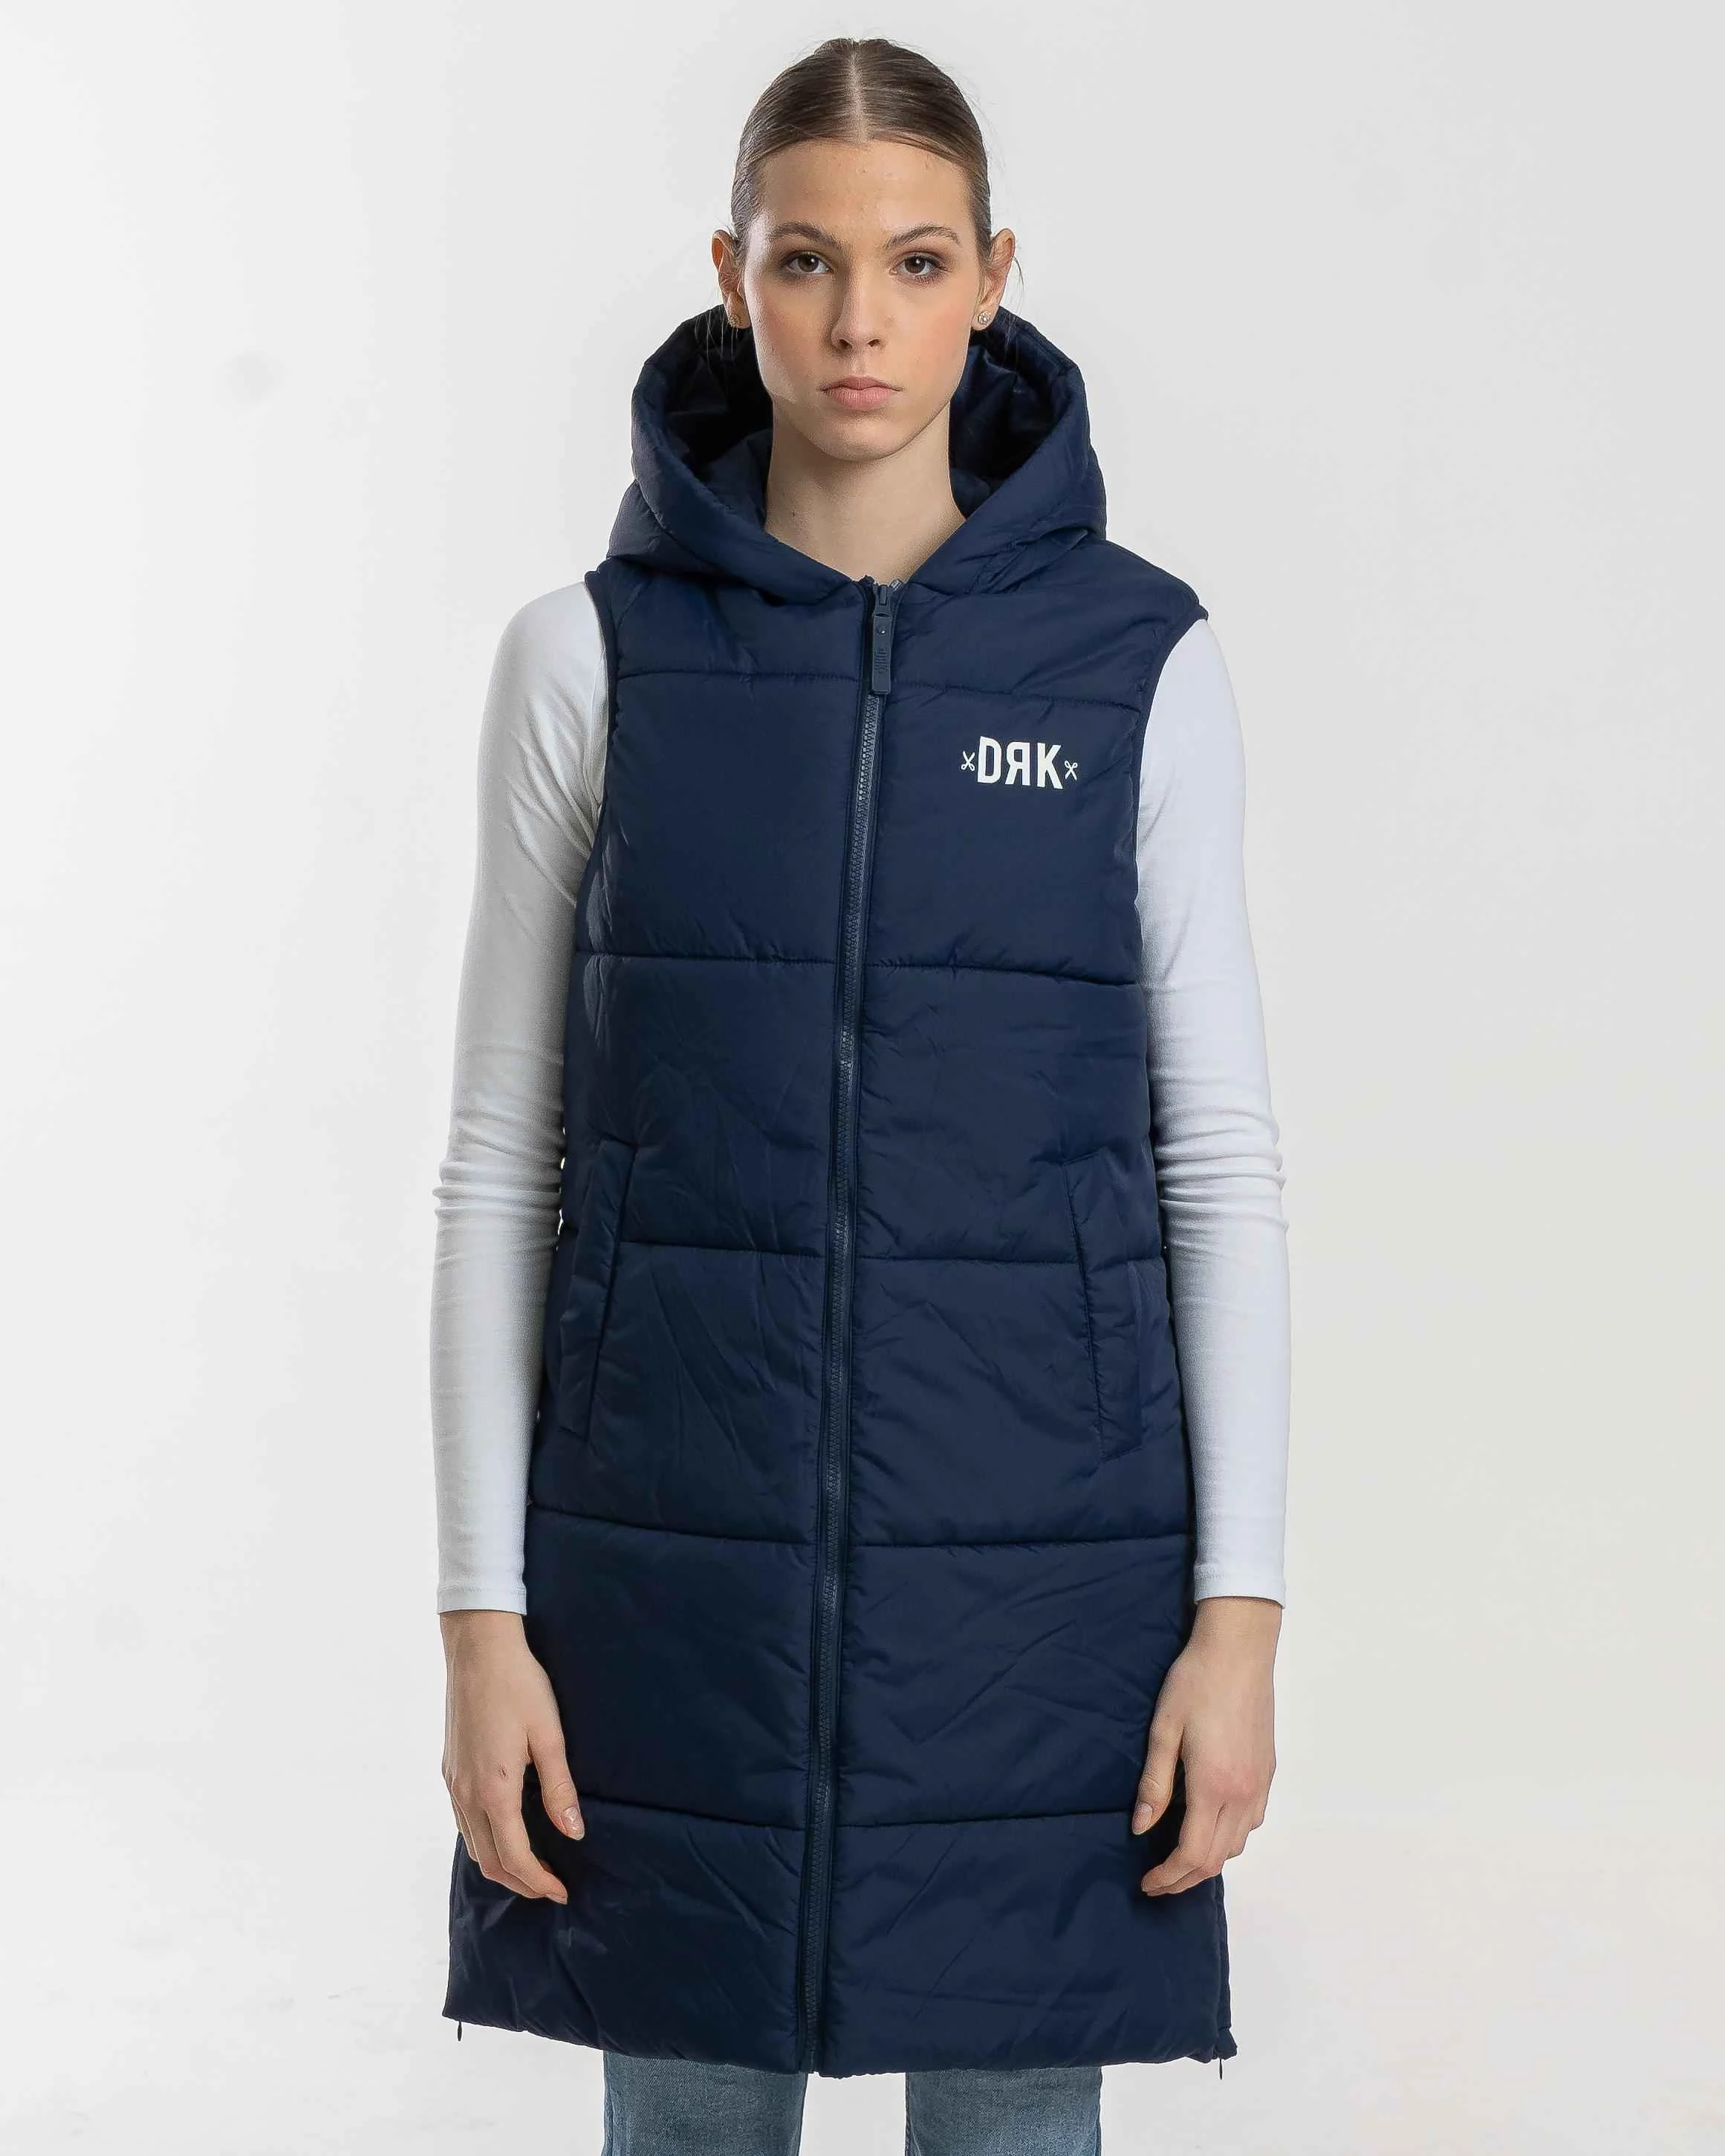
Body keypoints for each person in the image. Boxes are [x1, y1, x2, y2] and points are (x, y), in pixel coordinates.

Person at [430, 34, 1290, 2156]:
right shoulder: (588, 660)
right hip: (671, 1578)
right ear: (733, 275)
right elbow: (499, 1168)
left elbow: (1218, 1164)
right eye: (807, 261)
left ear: (993, 277)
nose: (858, 323)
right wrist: (481, 1617)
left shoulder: (1134, 665)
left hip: (1047, 1591)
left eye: (914, 261)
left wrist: (1241, 1619)